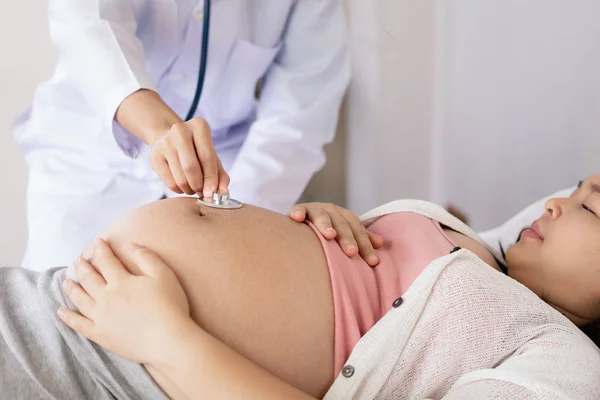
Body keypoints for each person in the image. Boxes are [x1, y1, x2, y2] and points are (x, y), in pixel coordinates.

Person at [3, 175, 600, 399]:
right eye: (573, 190)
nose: (554, 203)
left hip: (125, 367)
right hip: (77, 302)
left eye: (591, 211)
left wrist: (168, 340)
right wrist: (324, 221)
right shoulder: (481, 247)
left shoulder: (563, 363)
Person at [14, 0, 350, 271]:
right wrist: (157, 127)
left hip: (231, 165)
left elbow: (300, 112)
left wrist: (235, 216)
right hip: (90, 151)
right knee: (62, 312)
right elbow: (87, 24)